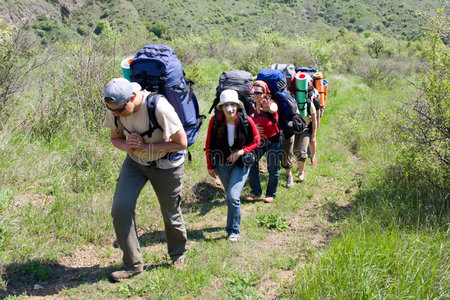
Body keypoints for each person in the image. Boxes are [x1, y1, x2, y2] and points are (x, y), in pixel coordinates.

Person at [103, 78, 188, 282]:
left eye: (121, 110)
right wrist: (129, 145)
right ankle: (132, 264)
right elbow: (115, 139)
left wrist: (147, 148)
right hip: (135, 163)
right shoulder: (114, 107)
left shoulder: (159, 107)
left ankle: (178, 255)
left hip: (167, 165)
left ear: (132, 97)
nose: (117, 114)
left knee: (170, 212)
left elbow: (181, 143)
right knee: (120, 209)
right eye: (113, 111)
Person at [205, 89, 260, 243]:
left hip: (241, 164)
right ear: (221, 107)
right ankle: (232, 222)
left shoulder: (246, 120)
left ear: (237, 106)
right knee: (230, 198)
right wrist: (210, 166)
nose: (230, 108)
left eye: (233, 105)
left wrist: (241, 152)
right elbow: (209, 145)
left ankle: (233, 230)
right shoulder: (215, 121)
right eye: (226, 105)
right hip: (222, 164)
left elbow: (257, 141)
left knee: (233, 197)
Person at [246, 80, 284, 203]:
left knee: (272, 168)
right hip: (258, 142)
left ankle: (271, 194)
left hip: (274, 140)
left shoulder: (270, 103)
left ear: (265, 93)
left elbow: (273, 108)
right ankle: (256, 192)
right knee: (250, 162)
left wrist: (267, 107)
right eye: (253, 92)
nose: (255, 95)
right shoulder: (251, 107)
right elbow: (246, 122)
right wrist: (254, 128)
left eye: (259, 92)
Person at [293, 94, 317, 182]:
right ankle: (300, 166)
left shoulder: (309, 104)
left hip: (306, 130)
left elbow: (314, 119)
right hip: (295, 130)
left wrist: (313, 135)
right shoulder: (291, 103)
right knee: (295, 150)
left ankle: (301, 173)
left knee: (302, 151)